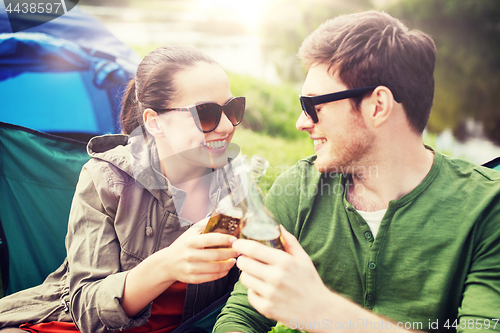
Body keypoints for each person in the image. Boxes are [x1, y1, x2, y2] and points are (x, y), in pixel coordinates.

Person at [214, 11, 500, 333]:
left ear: (378, 106)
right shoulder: (298, 188)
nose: (301, 122)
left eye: (314, 107)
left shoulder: (488, 209)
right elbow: (241, 315)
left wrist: (320, 310)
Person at [0, 45, 246, 332]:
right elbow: (87, 309)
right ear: (155, 123)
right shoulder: (106, 179)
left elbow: (247, 296)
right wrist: (169, 264)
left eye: (233, 108)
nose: (228, 126)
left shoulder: (235, 185)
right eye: (206, 114)